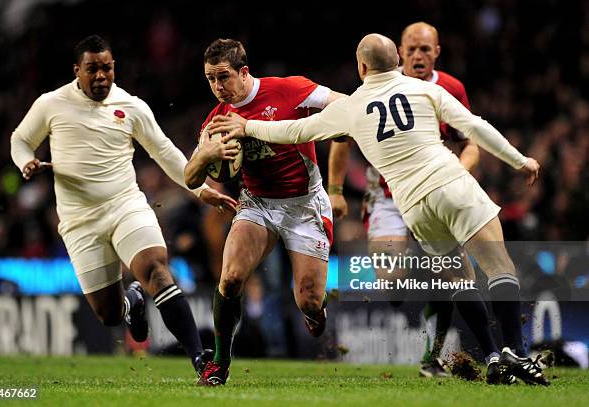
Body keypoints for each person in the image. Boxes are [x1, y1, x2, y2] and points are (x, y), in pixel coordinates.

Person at [209, 34, 548, 386]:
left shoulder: (352, 106)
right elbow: (473, 125)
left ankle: (492, 354)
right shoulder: (425, 90)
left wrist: (246, 125)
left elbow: (295, 129)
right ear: (398, 61)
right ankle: (515, 351)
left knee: (458, 277)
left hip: (414, 206)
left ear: (362, 67)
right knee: (498, 265)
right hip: (451, 183)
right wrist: (519, 160)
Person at [10, 35, 237, 375]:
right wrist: (25, 160)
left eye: (107, 68)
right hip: (80, 222)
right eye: (92, 69)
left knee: (157, 270)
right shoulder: (51, 104)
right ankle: (131, 301)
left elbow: (164, 152)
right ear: (77, 71)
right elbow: (20, 139)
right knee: (109, 314)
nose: (101, 75)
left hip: (125, 206)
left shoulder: (131, 106)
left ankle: (200, 359)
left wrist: (200, 189)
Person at [184, 38, 345, 386]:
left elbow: (345, 107)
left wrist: (323, 135)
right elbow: (190, 177)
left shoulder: (289, 90)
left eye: (223, 77)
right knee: (230, 278)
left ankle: (315, 313)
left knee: (309, 300)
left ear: (244, 72)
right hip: (257, 203)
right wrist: (204, 156)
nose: (217, 87)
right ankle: (219, 364)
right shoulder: (216, 120)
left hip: (305, 204)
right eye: (210, 79)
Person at [328, 22, 479, 378]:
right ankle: (414, 261)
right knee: (392, 283)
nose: (417, 55)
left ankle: (432, 355)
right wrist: (335, 190)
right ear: (398, 52)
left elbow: (471, 141)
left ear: (436, 52)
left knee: (444, 275)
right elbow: (339, 139)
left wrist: (456, 174)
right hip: (386, 198)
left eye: (424, 49)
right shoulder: (374, 87)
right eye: (410, 49)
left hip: (433, 194)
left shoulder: (451, 89)